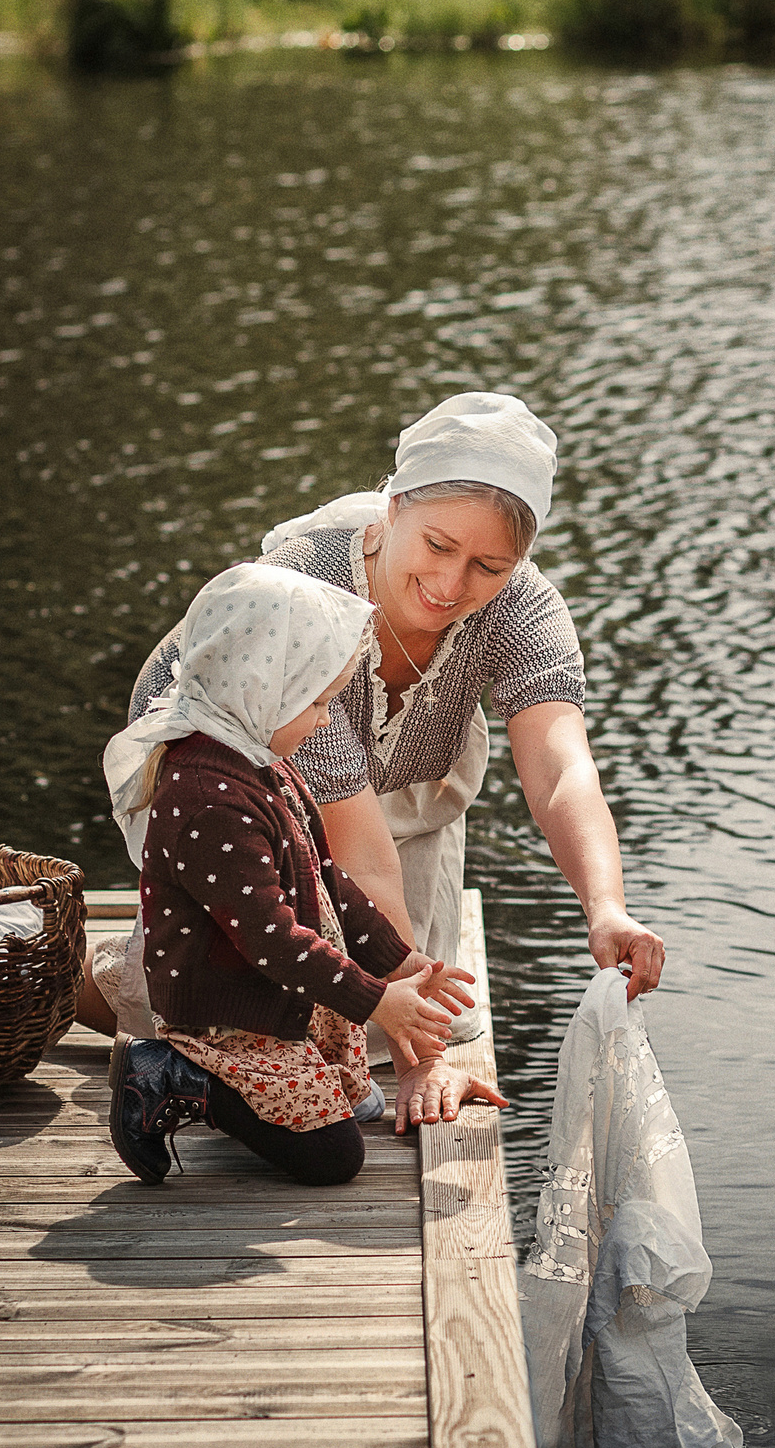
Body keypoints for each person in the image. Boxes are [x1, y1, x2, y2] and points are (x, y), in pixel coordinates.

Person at [87, 391, 668, 1130]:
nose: (452, 585)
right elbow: (360, 855)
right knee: (272, 1000)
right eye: (436, 546)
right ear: (392, 508)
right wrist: (429, 1063)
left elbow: (561, 770)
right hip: (229, 784)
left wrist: (605, 908)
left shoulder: (523, 609)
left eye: (489, 565)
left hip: (395, 779)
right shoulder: (312, 602)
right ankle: (93, 980)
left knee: (396, 1015)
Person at [96, 562, 494, 1187]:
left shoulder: (260, 760)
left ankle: (282, 1089)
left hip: (277, 996)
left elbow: (328, 878)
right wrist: (376, 1000)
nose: (322, 720)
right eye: (314, 702)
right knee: (334, 1158)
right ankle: (173, 1073)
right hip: (229, 1015)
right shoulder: (208, 793)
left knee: (358, 1103)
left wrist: (400, 963)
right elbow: (270, 941)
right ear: (258, 688)